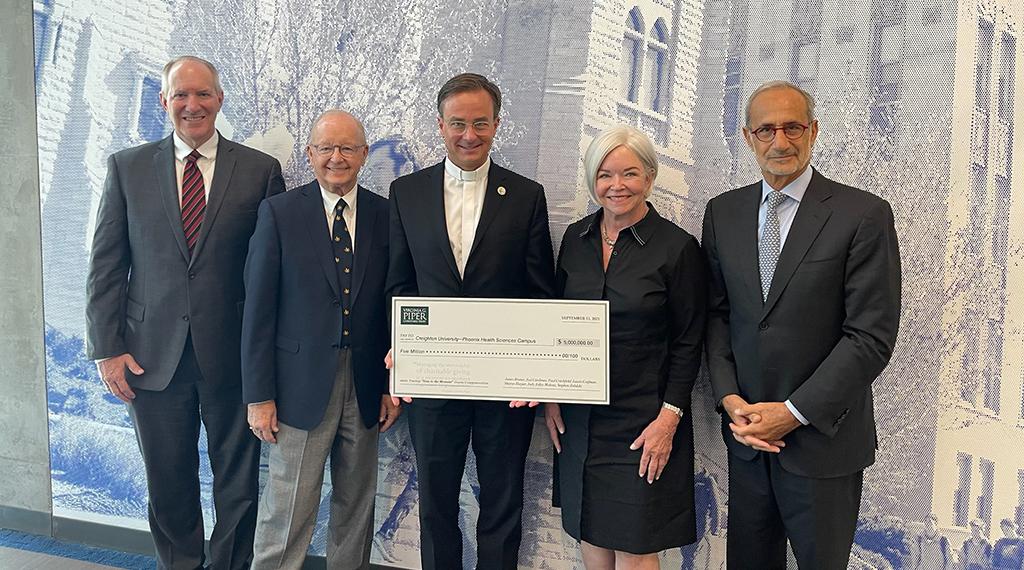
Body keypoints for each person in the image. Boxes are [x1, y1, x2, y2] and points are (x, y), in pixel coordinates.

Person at [85, 55, 285, 569]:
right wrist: (108, 349)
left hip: (233, 359)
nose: (192, 105)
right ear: (164, 101)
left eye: (203, 94)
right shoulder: (127, 168)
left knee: (237, 485)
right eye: (181, 95)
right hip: (150, 359)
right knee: (168, 482)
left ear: (220, 99)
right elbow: (107, 266)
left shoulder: (260, 172)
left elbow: (272, 277)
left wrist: (267, 361)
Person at [701, 80, 901, 569]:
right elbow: (717, 315)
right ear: (748, 137)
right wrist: (730, 401)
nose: (780, 141)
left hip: (822, 444)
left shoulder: (863, 215)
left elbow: (869, 337)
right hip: (747, 439)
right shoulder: (723, 213)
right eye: (766, 130)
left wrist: (793, 411)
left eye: (793, 127)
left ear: (813, 131)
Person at [385, 72, 556, 569]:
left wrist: (536, 367)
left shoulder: (526, 196)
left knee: (502, 502)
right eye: (458, 123)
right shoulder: (406, 192)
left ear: (497, 124)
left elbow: (540, 291)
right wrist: (403, 347)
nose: (468, 135)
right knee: (436, 502)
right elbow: (399, 286)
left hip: (506, 385)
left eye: (480, 123)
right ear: (440, 125)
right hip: (433, 381)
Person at [242, 110, 398, 570]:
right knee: (288, 506)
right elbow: (257, 311)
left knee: (356, 506)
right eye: (326, 147)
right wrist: (259, 396)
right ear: (309, 154)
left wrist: (394, 382)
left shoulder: (386, 215)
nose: (336, 157)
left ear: (364, 154)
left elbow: (394, 303)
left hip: (367, 384)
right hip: (298, 386)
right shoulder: (279, 213)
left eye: (348, 147)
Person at [543, 125, 705, 569]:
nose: (617, 186)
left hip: (643, 422)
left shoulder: (677, 249)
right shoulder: (574, 241)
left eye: (629, 174)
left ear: (650, 178)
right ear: (593, 181)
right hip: (580, 419)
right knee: (590, 537)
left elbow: (689, 342)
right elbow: (556, 322)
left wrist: (668, 419)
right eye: (605, 175)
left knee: (635, 549)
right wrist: (553, 395)